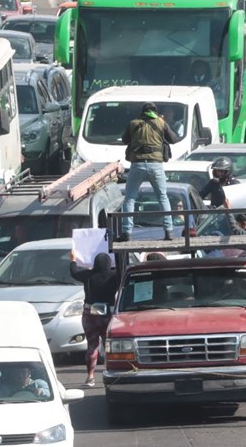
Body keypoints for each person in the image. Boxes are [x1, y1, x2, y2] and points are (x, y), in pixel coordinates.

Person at [120, 101, 178, 241]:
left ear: (142, 112)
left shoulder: (134, 123)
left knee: (130, 199)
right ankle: (169, 232)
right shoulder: (161, 123)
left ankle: (127, 233)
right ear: (155, 111)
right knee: (162, 197)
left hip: (137, 165)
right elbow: (174, 139)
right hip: (155, 165)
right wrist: (163, 124)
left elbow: (124, 140)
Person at [70, 252, 117, 387]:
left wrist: (73, 260)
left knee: (92, 345)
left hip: (90, 313)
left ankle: (90, 377)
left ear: (95, 263)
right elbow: (124, 269)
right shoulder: (114, 276)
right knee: (109, 346)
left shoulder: (88, 275)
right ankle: (111, 373)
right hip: (109, 315)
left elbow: (74, 272)